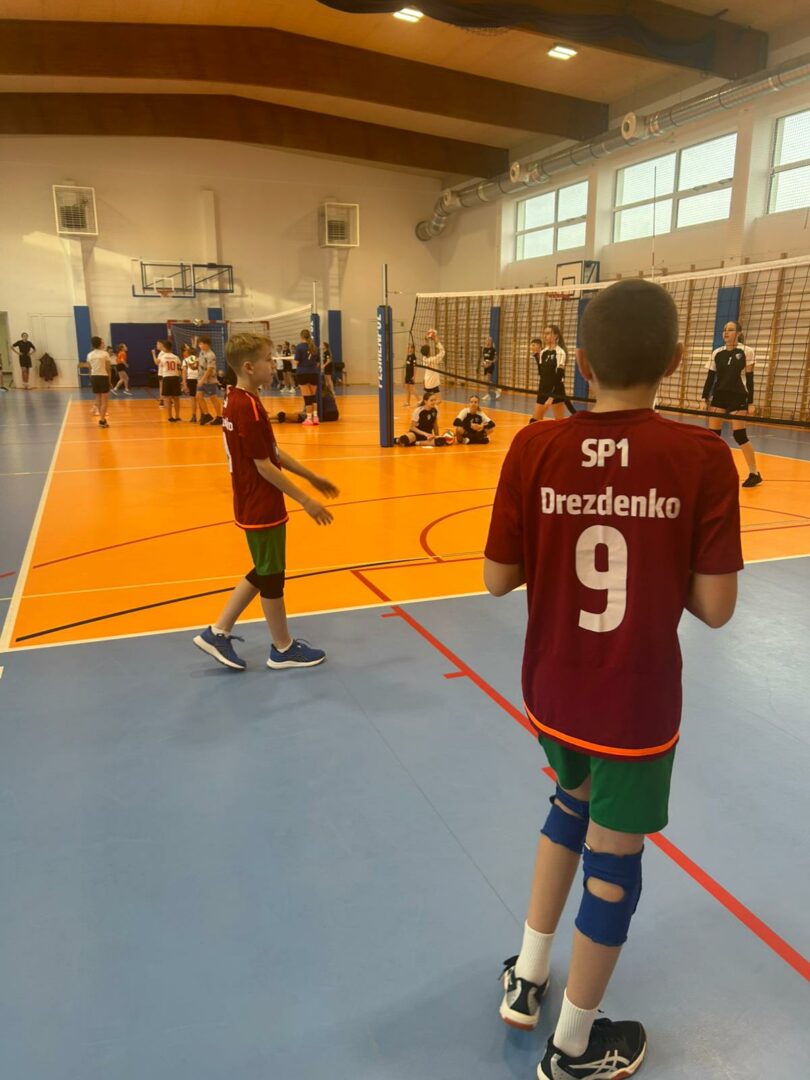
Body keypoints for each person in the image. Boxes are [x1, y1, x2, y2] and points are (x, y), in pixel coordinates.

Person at [484, 279, 742, 1080]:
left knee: (570, 803)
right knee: (615, 861)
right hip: (633, 702)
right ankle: (572, 1050)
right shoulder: (701, 457)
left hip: (554, 689)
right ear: (677, 360)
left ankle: (528, 976)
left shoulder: (533, 446)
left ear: (583, 364)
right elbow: (717, 608)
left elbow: (497, 578)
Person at [193, 332, 339, 672]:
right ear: (249, 366)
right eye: (268, 360)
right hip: (261, 502)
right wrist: (306, 499)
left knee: (264, 569)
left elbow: (271, 451)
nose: (273, 366)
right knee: (272, 577)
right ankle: (282, 648)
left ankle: (219, 631)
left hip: (252, 500)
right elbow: (263, 465)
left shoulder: (238, 398)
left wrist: (311, 476)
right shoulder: (247, 407)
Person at [701, 320, 762, 488]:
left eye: (730, 330)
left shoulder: (746, 351)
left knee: (739, 435)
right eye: (724, 330)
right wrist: (703, 398)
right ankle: (711, 471)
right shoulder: (717, 352)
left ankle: (754, 473)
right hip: (719, 395)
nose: (726, 333)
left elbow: (750, 378)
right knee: (713, 435)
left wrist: (751, 402)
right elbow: (710, 378)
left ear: (739, 333)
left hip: (738, 396)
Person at [531, 325, 574, 422]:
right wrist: (537, 356)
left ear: (555, 336)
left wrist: (551, 397)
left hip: (556, 390)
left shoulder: (560, 352)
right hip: (543, 390)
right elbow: (541, 373)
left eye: (548, 333)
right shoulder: (543, 352)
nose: (545, 336)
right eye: (544, 333)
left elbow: (559, 376)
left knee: (559, 422)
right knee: (534, 421)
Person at [295, 328, 320, 426]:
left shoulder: (299, 347)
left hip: (303, 373)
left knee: (307, 397)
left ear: (301, 336)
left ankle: (309, 418)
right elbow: (318, 363)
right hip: (314, 373)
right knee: (313, 396)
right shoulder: (315, 347)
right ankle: (315, 417)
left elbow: (296, 362)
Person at [86, 335, 112, 428]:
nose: (104, 343)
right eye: (102, 342)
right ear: (99, 344)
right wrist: (109, 381)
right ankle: (102, 420)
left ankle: (102, 419)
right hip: (103, 377)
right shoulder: (105, 354)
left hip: (94, 377)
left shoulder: (89, 355)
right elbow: (108, 369)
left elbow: (89, 369)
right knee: (105, 400)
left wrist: (91, 379)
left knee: (98, 398)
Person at [197, 336, 223, 426]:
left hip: (209, 380)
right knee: (199, 396)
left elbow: (210, 368)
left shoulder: (211, 355)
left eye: (201, 344)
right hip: (201, 379)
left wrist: (203, 380)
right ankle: (206, 415)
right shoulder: (201, 352)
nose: (199, 345)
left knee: (213, 398)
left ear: (206, 344)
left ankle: (219, 417)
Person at [156, 338, 182, 422]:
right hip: (175, 378)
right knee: (176, 398)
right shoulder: (176, 357)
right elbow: (180, 368)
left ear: (164, 348)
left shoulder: (162, 357)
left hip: (167, 378)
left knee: (167, 398)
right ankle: (177, 416)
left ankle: (170, 417)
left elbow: (157, 363)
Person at [421, 328, 445, 403]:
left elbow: (425, 349)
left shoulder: (424, 358)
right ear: (429, 352)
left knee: (427, 400)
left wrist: (426, 339)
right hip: (433, 382)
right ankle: (430, 406)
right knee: (437, 401)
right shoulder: (434, 360)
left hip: (427, 382)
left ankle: (426, 405)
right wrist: (436, 340)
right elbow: (442, 351)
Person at [181, 343, 201, 422]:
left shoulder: (186, 360)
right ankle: (203, 415)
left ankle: (194, 416)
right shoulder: (198, 359)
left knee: (193, 398)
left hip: (191, 379)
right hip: (199, 379)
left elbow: (184, 372)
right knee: (200, 398)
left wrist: (184, 383)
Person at [403, 338, 417, 408]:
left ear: (413, 349)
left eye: (411, 348)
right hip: (407, 375)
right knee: (407, 389)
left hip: (411, 375)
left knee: (412, 389)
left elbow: (415, 367)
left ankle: (420, 401)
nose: (410, 349)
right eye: (409, 348)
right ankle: (407, 403)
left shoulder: (413, 357)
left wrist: (414, 376)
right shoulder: (408, 356)